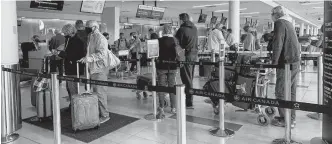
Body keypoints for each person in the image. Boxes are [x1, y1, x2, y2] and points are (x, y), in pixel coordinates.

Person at [270, 6, 300, 128]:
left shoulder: (279, 23)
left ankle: (284, 119)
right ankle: (291, 118)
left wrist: (274, 62)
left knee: (281, 91)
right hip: (295, 62)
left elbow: (278, 43)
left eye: (272, 14)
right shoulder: (289, 23)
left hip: (286, 63)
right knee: (291, 92)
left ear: (276, 14)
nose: (271, 16)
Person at [79, 20, 110, 123]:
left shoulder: (101, 38)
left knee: (100, 92)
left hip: (99, 69)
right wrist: (85, 58)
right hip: (92, 68)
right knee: (95, 92)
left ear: (94, 27)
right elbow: (90, 52)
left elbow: (102, 54)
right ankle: (99, 112)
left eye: (88, 26)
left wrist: (89, 58)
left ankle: (105, 115)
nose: (86, 28)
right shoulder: (90, 36)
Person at [60, 24, 85, 112]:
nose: (64, 34)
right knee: (69, 87)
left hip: (74, 68)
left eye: (65, 32)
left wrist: (60, 54)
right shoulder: (69, 39)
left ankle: (75, 107)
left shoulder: (77, 41)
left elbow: (73, 55)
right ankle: (72, 104)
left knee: (73, 88)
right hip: (70, 67)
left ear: (69, 32)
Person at [175, 13, 198, 109]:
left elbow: (176, 43)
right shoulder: (194, 28)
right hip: (194, 55)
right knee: (190, 77)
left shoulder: (181, 29)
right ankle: (189, 98)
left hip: (186, 55)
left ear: (181, 20)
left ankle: (189, 101)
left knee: (186, 78)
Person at [156, 24, 178, 119]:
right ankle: (173, 107)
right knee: (172, 86)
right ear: (171, 31)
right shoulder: (175, 40)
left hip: (161, 66)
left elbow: (155, 53)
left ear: (163, 31)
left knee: (161, 87)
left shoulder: (159, 40)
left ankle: (161, 107)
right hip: (173, 66)